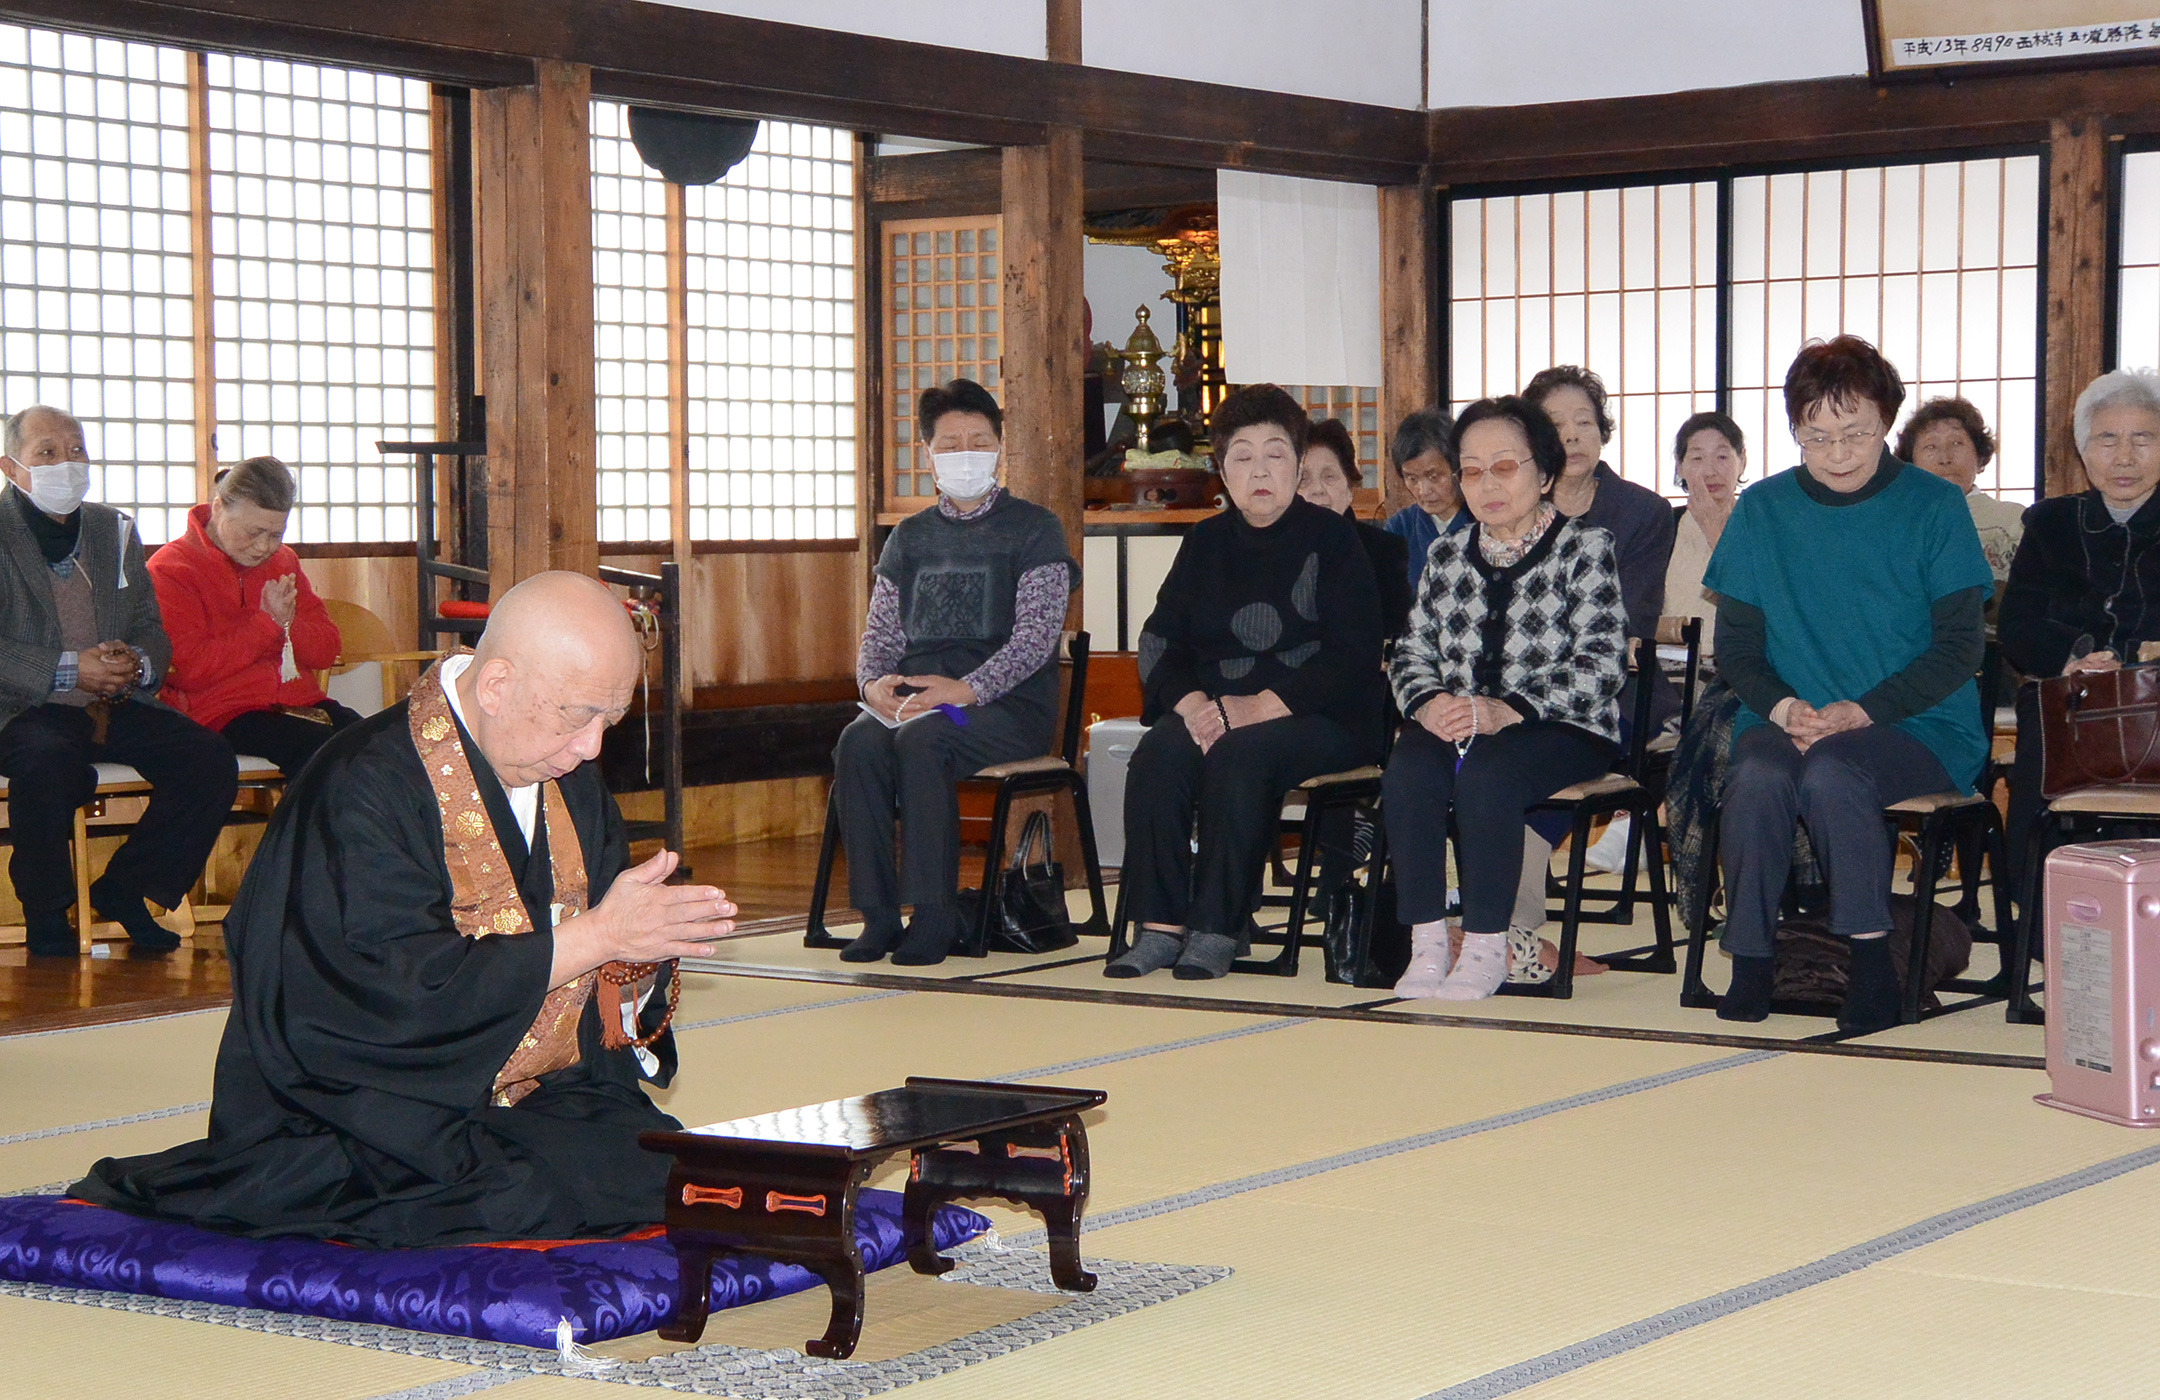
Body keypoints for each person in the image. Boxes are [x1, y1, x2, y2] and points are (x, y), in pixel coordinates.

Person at [73, 573, 738, 1246]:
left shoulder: (568, 783)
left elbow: (599, 1002)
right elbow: (382, 995)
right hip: (362, 1108)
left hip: (527, 1100)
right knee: (514, 1194)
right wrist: (594, 938)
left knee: (665, 1169)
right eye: (577, 716)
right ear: (499, 684)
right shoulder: (361, 785)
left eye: (611, 720)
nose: (593, 746)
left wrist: (634, 961)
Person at [1704, 336, 1990, 1032]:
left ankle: (1869, 964)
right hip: (1789, 716)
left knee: (1835, 774)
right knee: (1757, 777)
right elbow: (1735, 649)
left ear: (1887, 420)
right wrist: (1781, 706)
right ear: (1794, 430)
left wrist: (1865, 711)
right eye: (1816, 436)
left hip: (1917, 724)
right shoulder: (1763, 510)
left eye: (1855, 433)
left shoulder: (1934, 507)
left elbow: (1959, 648)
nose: (1837, 453)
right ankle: (1751, 960)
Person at [1108, 384, 1385, 981]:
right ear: (1223, 471)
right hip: (1219, 710)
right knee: (1158, 753)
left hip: (1322, 718)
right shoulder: (1205, 542)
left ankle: (1219, 926)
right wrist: (1193, 706)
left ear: (1297, 459)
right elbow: (1160, 639)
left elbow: (1353, 653)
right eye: (1242, 456)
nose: (1260, 470)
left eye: (1276, 454)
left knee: (1240, 756)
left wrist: (1256, 707)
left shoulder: (1332, 538)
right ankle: (1158, 925)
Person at [1381, 396, 1628, 1000]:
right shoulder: (1446, 556)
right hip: (1464, 721)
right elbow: (1410, 651)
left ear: (1543, 473)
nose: (1485, 484)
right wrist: (1427, 702)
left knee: (1488, 773)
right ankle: (1428, 941)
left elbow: (1603, 660)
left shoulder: (1585, 549)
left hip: (1565, 726)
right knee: (1409, 765)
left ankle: (1489, 944)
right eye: (1470, 469)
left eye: (1504, 467)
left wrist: (1510, 708)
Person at [833, 378, 1077, 967]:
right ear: (928, 454)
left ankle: (935, 913)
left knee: (926, 738)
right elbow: (880, 635)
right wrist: (874, 686)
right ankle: (879, 914)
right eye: (950, 443)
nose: (965, 452)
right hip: (920, 702)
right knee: (858, 741)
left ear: (999, 448)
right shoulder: (909, 538)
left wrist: (967, 689)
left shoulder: (1035, 528)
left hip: (1002, 709)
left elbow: (1037, 637)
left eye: (978, 440)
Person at [0, 406, 237, 957]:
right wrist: (69, 666)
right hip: (22, 706)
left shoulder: (113, 528)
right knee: (47, 764)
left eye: (76, 449)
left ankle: (127, 890)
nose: (67, 462)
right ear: (12, 469)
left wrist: (136, 662)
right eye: (48, 453)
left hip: (112, 700)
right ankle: (46, 915)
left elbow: (149, 625)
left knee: (206, 759)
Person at [1999, 369, 2160, 895]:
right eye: (2107, 439)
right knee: (2044, 714)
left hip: (2155, 698)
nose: (2124, 457)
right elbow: (2018, 624)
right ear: (2082, 450)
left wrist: (2137, 657)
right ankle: (2043, 914)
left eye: (2143, 439)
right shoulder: (2049, 522)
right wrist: (2073, 658)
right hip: (2068, 697)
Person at [147, 456, 360, 777]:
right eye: (253, 532)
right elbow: (189, 671)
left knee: (380, 744)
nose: (263, 547)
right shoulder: (172, 568)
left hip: (300, 703)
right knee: (326, 757)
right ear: (218, 509)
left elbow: (326, 651)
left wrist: (289, 622)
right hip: (223, 712)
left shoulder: (284, 561)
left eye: (276, 534)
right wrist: (268, 625)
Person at [1297, 416, 1413, 636]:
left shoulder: (1384, 551)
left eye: (1329, 477)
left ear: (1350, 487)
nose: (1317, 490)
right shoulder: (1273, 550)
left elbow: (1397, 635)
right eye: (1304, 480)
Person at [1899, 396, 2025, 593]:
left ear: (1980, 456)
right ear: (1910, 462)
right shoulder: (1897, 522)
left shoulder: (2015, 519)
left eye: (1957, 443)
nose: (1945, 458)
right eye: (1930, 446)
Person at [1663, 410, 1746, 661]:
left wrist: (1715, 531)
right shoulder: (1663, 524)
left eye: (1722, 456)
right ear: (1680, 466)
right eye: (1697, 458)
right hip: (1666, 665)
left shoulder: (1759, 524)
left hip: (1736, 666)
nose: (1710, 471)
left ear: (1742, 460)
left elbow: (1755, 600)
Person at [1381, 407, 1466, 591]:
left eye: (1433, 476)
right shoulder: (1399, 529)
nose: (1423, 490)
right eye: (1412, 478)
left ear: (1457, 467)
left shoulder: (1483, 522)